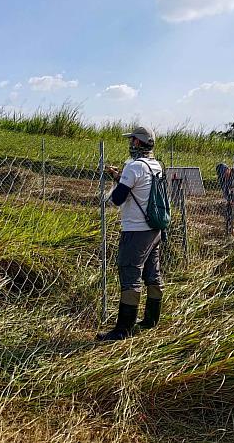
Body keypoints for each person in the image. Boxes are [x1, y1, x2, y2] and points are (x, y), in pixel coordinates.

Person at [97, 126, 164, 341]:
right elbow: (139, 188)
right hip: (154, 229)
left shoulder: (134, 166)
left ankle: (122, 330)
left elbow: (117, 199)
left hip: (136, 229)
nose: (130, 143)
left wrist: (117, 182)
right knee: (152, 274)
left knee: (129, 275)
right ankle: (151, 320)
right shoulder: (155, 165)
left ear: (137, 143)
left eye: (132, 140)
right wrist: (119, 176)